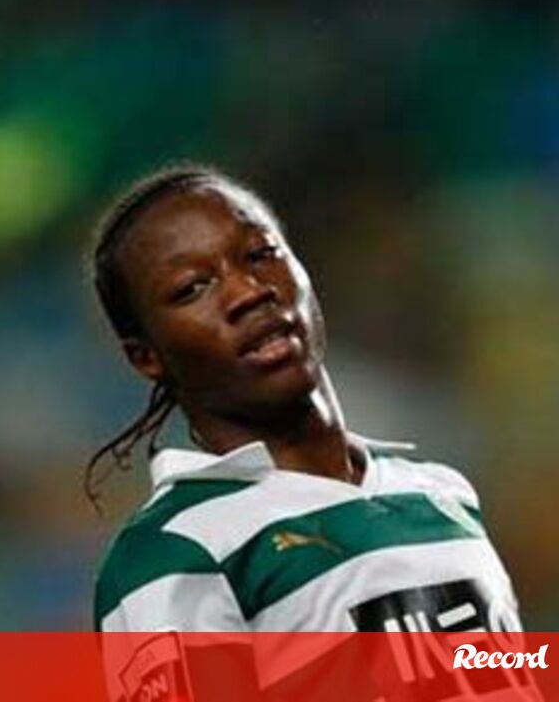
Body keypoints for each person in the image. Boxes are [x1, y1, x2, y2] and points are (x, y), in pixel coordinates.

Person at [86, 164, 529, 698]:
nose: (248, 291)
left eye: (260, 254)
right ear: (146, 357)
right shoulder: (173, 550)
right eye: (192, 288)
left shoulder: (441, 494)